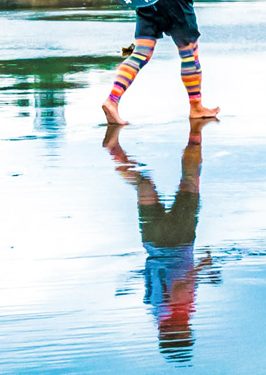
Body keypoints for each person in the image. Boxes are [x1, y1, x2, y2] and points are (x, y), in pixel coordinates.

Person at [105, 120, 214, 363]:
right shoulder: (156, 309)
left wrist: (203, 268)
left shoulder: (178, 312)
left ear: (177, 331)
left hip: (180, 239)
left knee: (189, 180)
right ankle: (114, 151)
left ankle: (195, 133)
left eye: (185, 333)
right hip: (153, 241)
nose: (188, 328)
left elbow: (180, 286)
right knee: (144, 187)